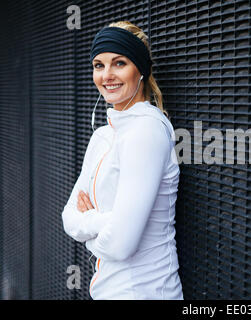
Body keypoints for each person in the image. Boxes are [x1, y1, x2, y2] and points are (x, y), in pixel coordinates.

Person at [61, 21, 183, 300]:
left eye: (119, 63)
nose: (107, 76)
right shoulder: (103, 136)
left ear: (140, 69)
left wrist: (89, 220)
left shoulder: (147, 130)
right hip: (106, 290)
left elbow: (120, 245)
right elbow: (68, 217)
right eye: (99, 65)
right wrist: (108, 222)